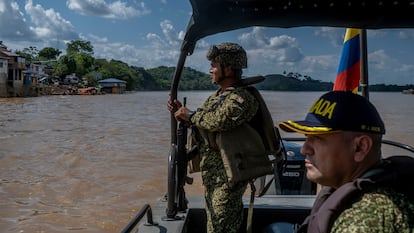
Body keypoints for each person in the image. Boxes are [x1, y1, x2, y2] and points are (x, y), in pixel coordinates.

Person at [274, 91, 414, 233]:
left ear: (360, 147)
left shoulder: (364, 219)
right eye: (307, 137)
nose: (304, 149)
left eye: (318, 138)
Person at [168, 42, 259, 233]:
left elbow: (220, 120)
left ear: (228, 68)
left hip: (229, 176)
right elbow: (202, 122)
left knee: (221, 226)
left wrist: (191, 115)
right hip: (214, 174)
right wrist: (181, 113)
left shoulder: (242, 98)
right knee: (215, 223)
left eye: (214, 65)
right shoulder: (217, 96)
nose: (210, 70)